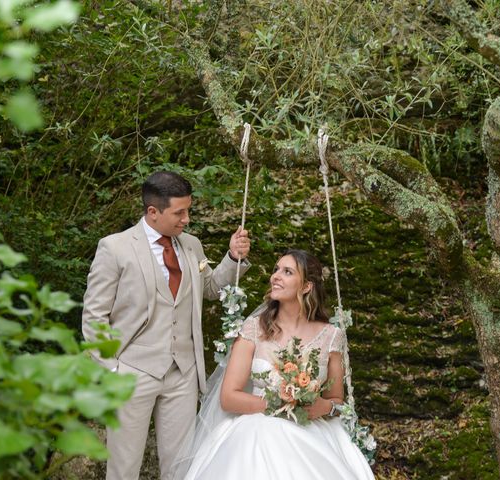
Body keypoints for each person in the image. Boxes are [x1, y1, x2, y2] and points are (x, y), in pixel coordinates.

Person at [82, 171, 251, 480]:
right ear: (153, 212)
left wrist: (232, 257)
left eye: (188, 210)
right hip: (132, 372)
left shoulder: (191, 246)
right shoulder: (115, 248)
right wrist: (112, 371)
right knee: (124, 467)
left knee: (180, 466)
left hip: (182, 374)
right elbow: (94, 316)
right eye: (179, 212)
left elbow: (212, 289)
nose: (186, 219)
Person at [172, 249, 374, 480]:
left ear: (306, 286)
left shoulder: (331, 335)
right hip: (256, 426)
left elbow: (337, 400)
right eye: (276, 269)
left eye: (287, 272)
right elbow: (229, 397)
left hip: (311, 429)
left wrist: (324, 407)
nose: (275, 276)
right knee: (264, 438)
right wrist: (278, 403)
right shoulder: (254, 329)